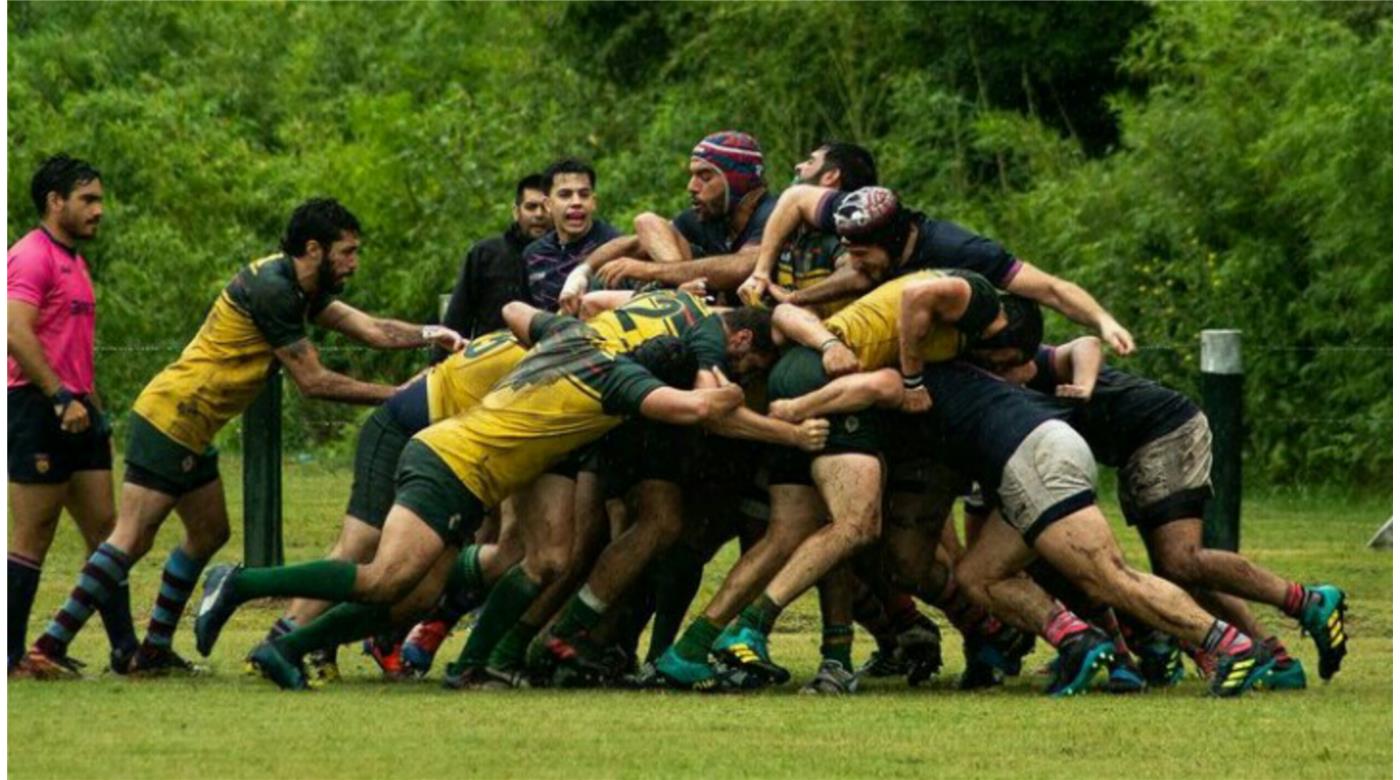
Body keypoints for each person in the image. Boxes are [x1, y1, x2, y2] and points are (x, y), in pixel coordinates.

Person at [23, 198, 464, 678]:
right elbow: (313, 382)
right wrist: (397, 398)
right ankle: (49, 643)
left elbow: (369, 328)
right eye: (348, 252)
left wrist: (430, 333)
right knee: (131, 538)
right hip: (172, 415)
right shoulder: (275, 290)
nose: (354, 264)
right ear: (315, 249)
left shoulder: (299, 283)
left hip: (193, 421)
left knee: (210, 531)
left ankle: (152, 651)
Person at [194, 311, 746, 690]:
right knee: (384, 577)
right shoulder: (621, 384)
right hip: (450, 462)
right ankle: (240, 582)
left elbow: (514, 308)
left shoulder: (575, 338)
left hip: (459, 463)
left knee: (416, 595)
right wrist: (725, 383)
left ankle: (284, 651)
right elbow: (703, 409)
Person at [973, 332, 1348, 687]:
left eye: (1008, 366)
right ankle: (1275, 657)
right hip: (1131, 448)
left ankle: (1308, 601)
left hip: (1162, 427)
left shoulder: (1022, 356)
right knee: (1172, 570)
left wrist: (1084, 386)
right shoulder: (987, 381)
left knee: (1180, 561)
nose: (1007, 373)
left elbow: (1087, 343)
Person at [251, 328, 534, 684]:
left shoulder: (524, 335)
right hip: (404, 428)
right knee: (361, 544)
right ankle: (275, 634)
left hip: (449, 453)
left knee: (421, 582)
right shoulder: (544, 354)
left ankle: (335, 640)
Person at [8, 155, 138, 676]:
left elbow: (71, 344)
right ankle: (12, 657)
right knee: (33, 532)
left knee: (106, 531)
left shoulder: (75, 262)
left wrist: (92, 403)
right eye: (87, 199)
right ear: (54, 202)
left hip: (79, 410)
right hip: (38, 408)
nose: (98, 210)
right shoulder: (31, 256)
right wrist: (60, 396)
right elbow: (16, 332)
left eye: (99, 199)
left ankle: (126, 650)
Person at [736, 186, 1136, 355]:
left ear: (891, 243)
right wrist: (761, 271)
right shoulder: (858, 215)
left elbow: (1049, 288)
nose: (853, 261)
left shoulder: (959, 249)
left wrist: (1102, 320)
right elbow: (794, 198)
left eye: (861, 253)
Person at [560, 131, 775, 305]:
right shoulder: (713, 216)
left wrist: (647, 270)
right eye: (693, 176)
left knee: (598, 303)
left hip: (758, 328)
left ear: (737, 181)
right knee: (646, 222)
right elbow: (636, 243)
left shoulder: (772, 213)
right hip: (707, 306)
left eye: (705, 177)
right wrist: (580, 273)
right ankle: (685, 293)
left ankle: (683, 295)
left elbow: (743, 267)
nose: (692, 187)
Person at [434, 173, 550, 355]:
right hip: (488, 360)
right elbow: (457, 319)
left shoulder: (566, 258)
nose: (539, 214)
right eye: (531, 207)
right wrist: (438, 366)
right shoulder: (485, 254)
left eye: (545, 207)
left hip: (547, 362)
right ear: (516, 211)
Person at [521, 159, 619, 312]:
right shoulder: (533, 255)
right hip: (548, 332)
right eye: (565, 195)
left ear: (593, 202)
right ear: (548, 205)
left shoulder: (614, 245)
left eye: (584, 195)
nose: (576, 202)